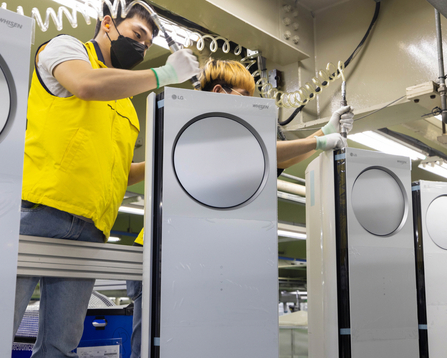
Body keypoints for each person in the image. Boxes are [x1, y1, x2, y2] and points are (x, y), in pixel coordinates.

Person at [125, 58, 354, 358]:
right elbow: (264, 151)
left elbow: (272, 157)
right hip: (160, 254)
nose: (249, 103)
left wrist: (325, 131)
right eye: (245, 96)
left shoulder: (229, 136)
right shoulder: (199, 125)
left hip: (191, 255)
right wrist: (321, 141)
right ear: (219, 92)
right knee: (153, 346)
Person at [12, 3, 200, 357]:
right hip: (36, 210)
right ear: (109, 24)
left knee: (61, 345)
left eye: (147, 44)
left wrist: (165, 161)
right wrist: (162, 75)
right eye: (137, 35)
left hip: (91, 230)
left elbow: (119, 172)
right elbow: (84, 84)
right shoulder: (67, 48)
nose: (142, 48)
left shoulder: (126, 104)